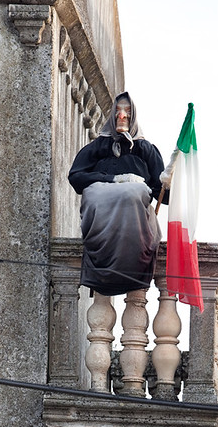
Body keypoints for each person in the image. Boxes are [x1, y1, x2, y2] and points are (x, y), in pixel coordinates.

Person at [68, 92, 169, 296]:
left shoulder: (145, 149)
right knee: (94, 192)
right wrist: (114, 179)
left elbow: (163, 196)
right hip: (102, 223)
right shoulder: (98, 146)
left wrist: (168, 182)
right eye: (118, 110)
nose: (122, 116)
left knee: (135, 191)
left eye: (127, 111)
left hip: (133, 226)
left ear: (134, 116)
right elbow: (76, 177)